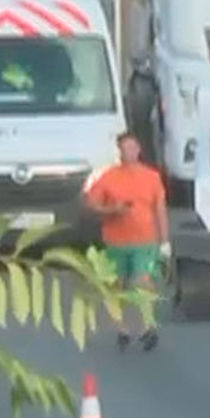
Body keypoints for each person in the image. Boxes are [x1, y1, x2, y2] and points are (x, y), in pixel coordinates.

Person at [83, 132, 170, 351]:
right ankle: (122, 329)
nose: (128, 152)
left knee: (143, 281)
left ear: (138, 150)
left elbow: (160, 208)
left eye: (132, 148)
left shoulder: (151, 177)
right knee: (117, 285)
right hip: (115, 241)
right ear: (119, 152)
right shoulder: (109, 177)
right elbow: (91, 205)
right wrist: (113, 210)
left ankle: (148, 326)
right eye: (124, 149)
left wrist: (165, 241)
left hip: (145, 240)